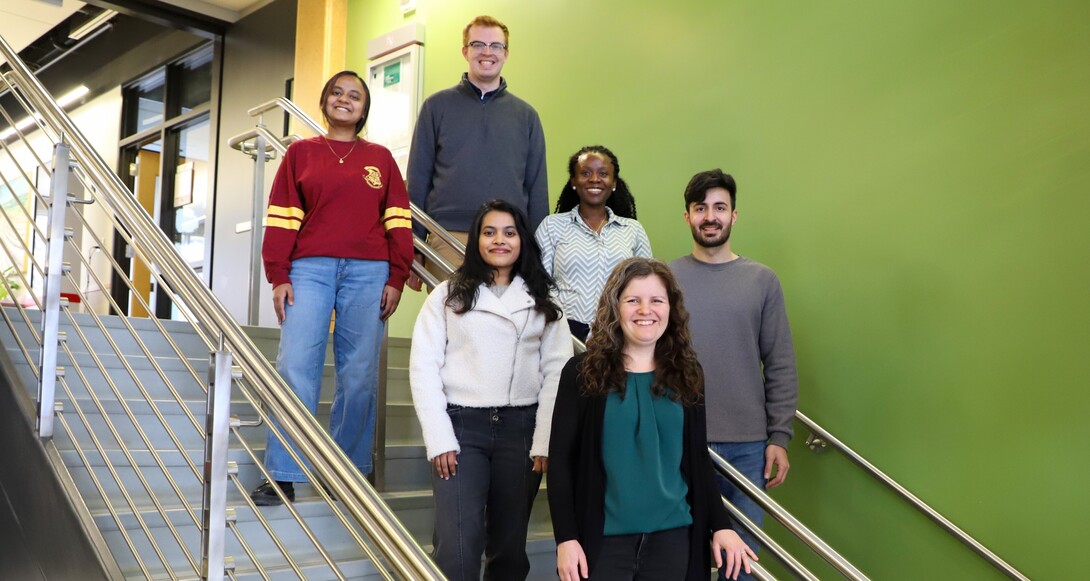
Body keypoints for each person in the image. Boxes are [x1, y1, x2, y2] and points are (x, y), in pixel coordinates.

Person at [250, 70, 414, 505]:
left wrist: (397, 276)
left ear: (364, 108)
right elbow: (282, 216)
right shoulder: (300, 153)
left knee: (358, 375)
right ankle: (283, 473)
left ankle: (346, 472)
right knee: (295, 368)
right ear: (324, 102)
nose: (345, 100)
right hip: (309, 270)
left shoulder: (380, 158)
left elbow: (398, 219)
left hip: (370, 272)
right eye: (337, 93)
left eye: (354, 95)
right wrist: (279, 275)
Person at [548, 257, 757, 581]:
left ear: (670, 308)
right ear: (616, 307)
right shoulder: (581, 373)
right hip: (602, 541)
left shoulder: (688, 374)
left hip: (675, 537)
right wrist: (566, 538)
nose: (646, 310)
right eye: (633, 300)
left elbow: (697, 458)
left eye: (656, 300)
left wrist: (721, 526)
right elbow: (561, 462)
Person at [409, 200, 573, 580]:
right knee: (458, 547)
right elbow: (423, 368)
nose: (499, 240)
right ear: (477, 241)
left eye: (509, 232)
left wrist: (544, 440)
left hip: (521, 430)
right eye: (489, 232)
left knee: (510, 548)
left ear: (522, 241)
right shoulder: (447, 296)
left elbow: (557, 374)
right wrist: (439, 438)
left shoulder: (544, 301)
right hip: (462, 429)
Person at [669, 169, 799, 580]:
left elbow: (779, 362)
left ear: (734, 216)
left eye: (719, 207)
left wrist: (780, 436)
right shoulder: (664, 279)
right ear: (687, 216)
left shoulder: (762, 281)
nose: (711, 216)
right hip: (679, 442)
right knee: (683, 560)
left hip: (748, 447)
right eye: (701, 207)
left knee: (741, 567)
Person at [407, 15, 548, 282]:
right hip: (447, 236)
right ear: (465, 51)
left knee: (505, 321)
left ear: (506, 54)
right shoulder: (435, 107)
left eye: (496, 46)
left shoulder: (526, 115)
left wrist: (539, 249)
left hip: (508, 238)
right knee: (452, 318)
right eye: (478, 44)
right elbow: (418, 179)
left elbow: (537, 187)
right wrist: (413, 244)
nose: (487, 52)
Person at [535, 145, 652, 341]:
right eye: (586, 173)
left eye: (603, 173)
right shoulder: (552, 226)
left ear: (614, 182)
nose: (595, 179)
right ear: (574, 181)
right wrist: (561, 325)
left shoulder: (633, 230)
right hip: (565, 334)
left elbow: (645, 286)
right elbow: (540, 282)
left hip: (619, 333)